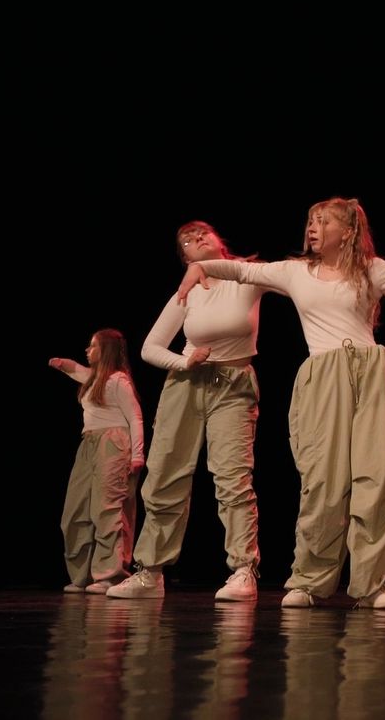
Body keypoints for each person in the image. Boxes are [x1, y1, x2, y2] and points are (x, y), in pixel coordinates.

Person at [178, 197, 385, 609]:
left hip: (370, 372)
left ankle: (376, 582)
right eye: (310, 221)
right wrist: (200, 267)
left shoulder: (372, 269)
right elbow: (242, 270)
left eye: (323, 221)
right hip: (324, 375)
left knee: (377, 477)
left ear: (348, 231)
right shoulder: (296, 272)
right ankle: (309, 579)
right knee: (323, 480)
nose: (312, 228)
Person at [108, 222, 271, 603]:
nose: (196, 238)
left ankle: (243, 569)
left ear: (219, 241)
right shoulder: (189, 290)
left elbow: (297, 276)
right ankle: (150, 571)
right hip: (185, 385)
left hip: (233, 384)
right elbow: (150, 347)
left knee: (232, 476)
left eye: (202, 233)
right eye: (187, 240)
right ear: (184, 259)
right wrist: (184, 362)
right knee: (165, 474)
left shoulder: (248, 275)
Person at [49, 328, 145, 594]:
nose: (87, 350)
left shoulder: (119, 381)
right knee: (75, 511)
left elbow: (135, 418)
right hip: (88, 444)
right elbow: (77, 370)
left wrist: (138, 454)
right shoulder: (95, 379)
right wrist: (61, 364)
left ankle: (110, 575)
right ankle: (82, 575)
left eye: (93, 346)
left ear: (107, 350)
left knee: (108, 509)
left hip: (113, 443)